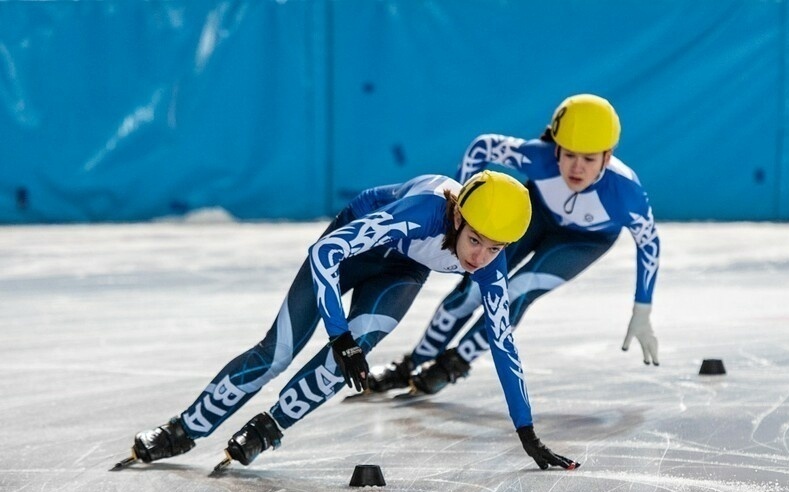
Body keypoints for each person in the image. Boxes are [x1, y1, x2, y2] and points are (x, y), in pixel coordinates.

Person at [116, 170, 580, 472]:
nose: (480, 259)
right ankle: (183, 430)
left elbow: (502, 342)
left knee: (348, 363)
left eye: (495, 249)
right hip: (349, 250)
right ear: (458, 213)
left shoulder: (489, 259)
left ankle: (269, 428)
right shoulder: (421, 214)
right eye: (476, 241)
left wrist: (527, 431)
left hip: (400, 272)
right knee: (277, 352)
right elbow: (325, 252)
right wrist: (339, 335)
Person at [366, 94, 659, 397]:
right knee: (471, 291)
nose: (576, 168)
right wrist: (463, 206)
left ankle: (454, 364)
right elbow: (482, 146)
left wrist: (642, 309)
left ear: (607, 158)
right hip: (537, 215)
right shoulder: (540, 158)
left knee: (519, 289)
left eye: (589, 159)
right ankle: (410, 365)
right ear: (556, 148)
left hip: (584, 241)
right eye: (569, 155)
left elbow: (648, 243)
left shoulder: (626, 193)